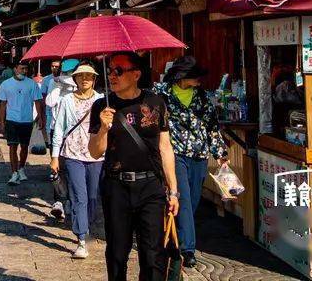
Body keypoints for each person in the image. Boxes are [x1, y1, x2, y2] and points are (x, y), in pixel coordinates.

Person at [89, 52, 180, 281]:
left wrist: (174, 190)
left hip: (151, 186)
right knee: (118, 252)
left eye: (118, 70)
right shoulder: (102, 106)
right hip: (117, 186)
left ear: (136, 74)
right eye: (109, 70)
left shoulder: (156, 102)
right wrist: (103, 129)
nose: (112, 75)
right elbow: (94, 151)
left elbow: (165, 147)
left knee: (153, 255)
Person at [154, 56, 228, 269]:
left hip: (199, 155)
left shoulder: (203, 97)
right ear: (182, 76)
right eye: (195, 76)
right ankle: (188, 249)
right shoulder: (162, 95)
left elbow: (212, 126)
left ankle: (176, 233)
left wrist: (220, 152)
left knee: (192, 201)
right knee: (184, 198)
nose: (199, 80)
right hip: (175, 154)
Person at [50, 63, 104, 260]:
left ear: (95, 79)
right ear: (75, 79)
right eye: (81, 76)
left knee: (92, 197)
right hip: (72, 153)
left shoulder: (102, 100)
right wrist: (55, 156)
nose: (85, 79)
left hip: (96, 154)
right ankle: (81, 238)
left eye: (89, 76)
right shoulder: (66, 100)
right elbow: (59, 129)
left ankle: (85, 225)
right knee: (79, 196)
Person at [42, 58, 78, 220]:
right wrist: (58, 85)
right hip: (57, 130)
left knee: (73, 168)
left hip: (76, 133)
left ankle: (73, 201)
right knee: (57, 167)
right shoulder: (53, 83)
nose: (66, 75)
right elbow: (50, 102)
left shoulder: (79, 86)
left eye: (69, 73)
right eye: (64, 72)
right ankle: (59, 201)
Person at [0, 60, 44, 185]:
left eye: (25, 69)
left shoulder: (31, 84)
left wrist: (40, 117)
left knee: (24, 147)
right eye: (21, 68)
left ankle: (21, 168)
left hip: (27, 120)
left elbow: (38, 101)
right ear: (15, 69)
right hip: (11, 120)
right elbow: (3, 104)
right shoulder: (6, 84)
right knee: (12, 146)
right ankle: (14, 172)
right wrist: (2, 122)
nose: (24, 71)